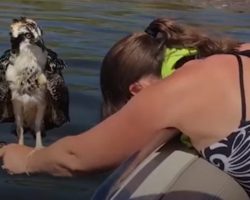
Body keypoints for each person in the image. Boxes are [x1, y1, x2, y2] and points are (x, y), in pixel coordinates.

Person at [1, 17, 250, 195]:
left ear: (137, 91)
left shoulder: (180, 89)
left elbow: (75, 157)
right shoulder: (238, 52)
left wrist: (25, 159)